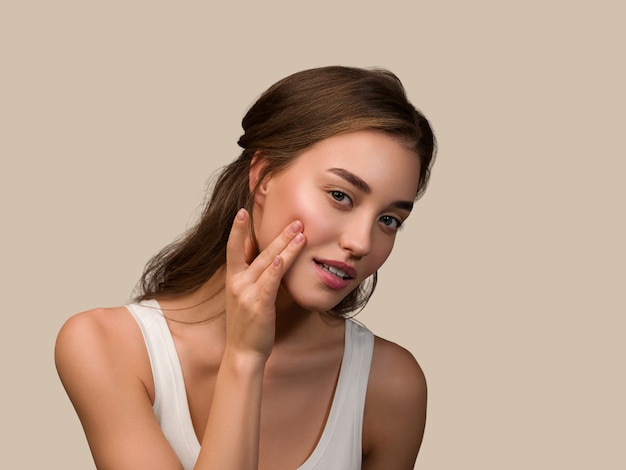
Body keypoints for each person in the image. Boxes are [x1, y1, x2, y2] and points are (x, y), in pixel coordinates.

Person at [55, 65, 436, 470]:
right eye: (340, 195)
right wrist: (245, 358)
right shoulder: (107, 347)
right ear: (263, 176)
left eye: (390, 220)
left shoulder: (390, 385)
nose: (361, 242)